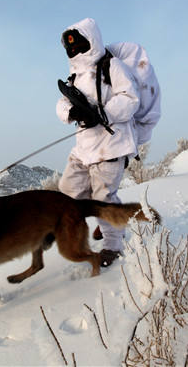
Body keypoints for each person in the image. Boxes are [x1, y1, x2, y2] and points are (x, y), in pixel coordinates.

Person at [56, 17, 140, 267]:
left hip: (110, 148)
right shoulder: (74, 76)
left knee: (103, 199)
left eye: (79, 45)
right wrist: (71, 113)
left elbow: (130, 98)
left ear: (91, 42)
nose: (74, 50)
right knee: (68, 192)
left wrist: (103, 114)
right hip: (83, 149)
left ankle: (113, 245)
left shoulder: (111, 66)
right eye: (70, 47)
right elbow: (62, 103)